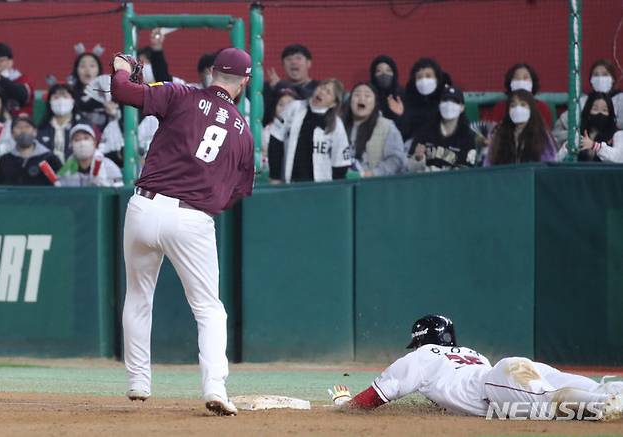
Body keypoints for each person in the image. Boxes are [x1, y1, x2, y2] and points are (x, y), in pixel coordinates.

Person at [110, 47, 255, 416]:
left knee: (139, 296)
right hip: (193, 218)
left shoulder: (181, 93)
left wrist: (122, 69)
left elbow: (124, 92)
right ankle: (214, 388)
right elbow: (240, 191)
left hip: (144, 206)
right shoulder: (243, 132)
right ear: (245, 82)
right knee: (209, 310)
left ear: (211, 72)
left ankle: (138, 381)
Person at [328, 314, 623, 421]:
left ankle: (607, 405)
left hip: (497, 384)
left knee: (551, 402)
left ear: (420, 341)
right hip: (514, 370)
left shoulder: (421, 356)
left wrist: (344, 404)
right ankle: (611, 395)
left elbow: (373, 398)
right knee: (589, 386)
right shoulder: (470, 353)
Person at [268, 78, 351, 183]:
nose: (322, 92)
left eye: (328, 92)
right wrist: (275, 176)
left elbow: (340, 162)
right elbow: (276, 139)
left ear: (333, 103)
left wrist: (334, 190)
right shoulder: (295, 107)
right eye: (321, 87)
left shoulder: (336, 124)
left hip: (321, 187)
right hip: (291, 182)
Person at [342, 82, 406, 176]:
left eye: (367, 95)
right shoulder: (338, 125)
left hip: (373, 184)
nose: (362, 98)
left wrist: (372, 174)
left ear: (375, 103)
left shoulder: (387, 126)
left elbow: (396, 159)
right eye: (357, 95)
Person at [553, 59, 623, 144]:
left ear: (613, 79)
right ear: (591, 80)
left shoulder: (620, 99)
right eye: (596, 75)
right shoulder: (582, 101)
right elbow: (563, 124)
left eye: (605, 75)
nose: (600, 78)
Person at [407, 85, 476, 172]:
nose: (449, 105)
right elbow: (409, 168)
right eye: (445, 100)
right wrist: (418, 159)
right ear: (439, 105)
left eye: (454, 101)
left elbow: (466, 172)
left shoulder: (468, 137)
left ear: (462, 108)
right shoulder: (424, 132)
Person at [487, 90, 557, 165]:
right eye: (513, 105)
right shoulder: (499, 134)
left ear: (531, 109)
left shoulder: (542, 135)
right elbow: (489, 164)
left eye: (523, 105)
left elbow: (549, 164)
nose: (517, 109)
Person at [0, 114, 62, 185]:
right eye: (19, 127)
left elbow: (59, 185)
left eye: (27, 127)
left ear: (35, 132)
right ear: (12, 134)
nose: (23, 131)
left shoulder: (51, 159)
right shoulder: (5, 160)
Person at [482, 63, 553, 127]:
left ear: (532, 82)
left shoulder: (542, 108)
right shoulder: (500, 107)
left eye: (525, 78)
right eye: (516, 78)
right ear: (510, 82)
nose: (521, 81)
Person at [263, 44, 319, 125]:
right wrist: (273, 90)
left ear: (309, 63)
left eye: (298, 58)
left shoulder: (318, 88)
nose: (293, 62)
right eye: (288, 59)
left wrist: (281, 86)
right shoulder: (273, 87)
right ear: (283, 65)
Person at [400, 58, 451, 141]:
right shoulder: (407, 100)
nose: (424, 80)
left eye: (428, 76)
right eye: (419, 77)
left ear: (437, 79)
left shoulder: (447, 100)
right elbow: (404, 133)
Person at [57, 122, 122, 187]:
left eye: (86, 138)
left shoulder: (108, 166)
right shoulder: (66, 170)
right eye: (77, 139)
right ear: (71, 145)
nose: (82, 143)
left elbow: (119, 190)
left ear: (94, 143)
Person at [37, 83, 83, 164]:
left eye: (65, 97)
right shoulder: (41, 129)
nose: (61, 101)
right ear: (50, 102)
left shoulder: (83, 127)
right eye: (56, 97)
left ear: (73, 101)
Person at [71, 51, 118, 129]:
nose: (87, 70)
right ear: (76, 71)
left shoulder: (112, 96)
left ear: (99, 70)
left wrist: (114, 113)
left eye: (92, 66)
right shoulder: (71, 97)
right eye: (82, 66)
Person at [576, 92, 623, 163]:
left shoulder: (618, 135)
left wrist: (594, 146)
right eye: (595, 109)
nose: (600, 113)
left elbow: (618, 158)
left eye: (604, 110)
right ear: (588, 112)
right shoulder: (578, 133)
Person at [369, 55, 406, 129]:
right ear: (373, 75)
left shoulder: (403, 95)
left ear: (394, 73)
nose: (384, 74)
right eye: (379, 71)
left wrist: (400, 114)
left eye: (388, 70)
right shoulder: (368, 94)